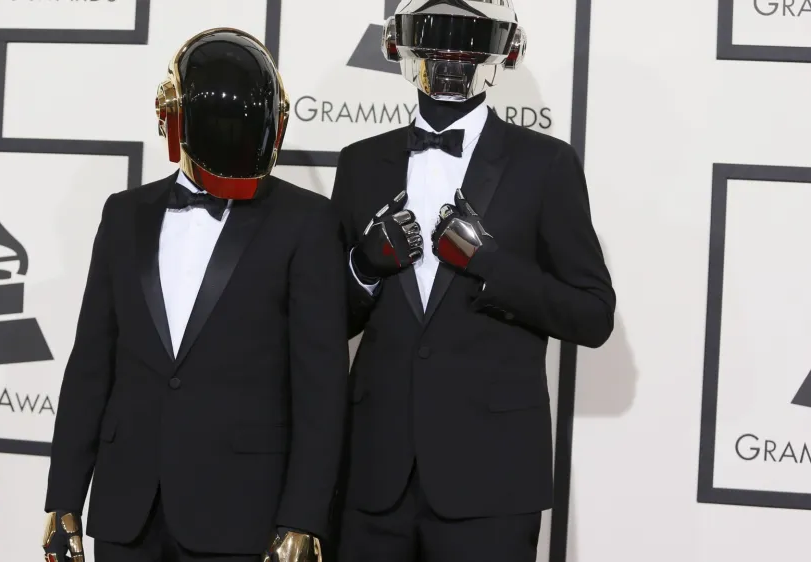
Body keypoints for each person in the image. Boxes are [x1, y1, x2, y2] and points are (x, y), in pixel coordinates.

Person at [41, 28, 348, 562]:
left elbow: (321, 388)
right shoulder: (123, 215)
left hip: (242, 517)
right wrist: (64, 499)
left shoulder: (307, 222)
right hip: (125, 516)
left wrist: (303, 518)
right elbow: (91, 365)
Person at [330, 1, 616, 561]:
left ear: (501, 50)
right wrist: (363, 266)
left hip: (493, 478)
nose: (449, 56)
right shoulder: (359, 163)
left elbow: (593, 314)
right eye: (432, 38)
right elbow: (327, 322)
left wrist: (490, 261)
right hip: (374, 473)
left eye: (467, 40)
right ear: (399, 45)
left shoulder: (547, 165)